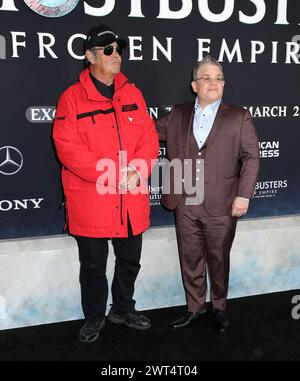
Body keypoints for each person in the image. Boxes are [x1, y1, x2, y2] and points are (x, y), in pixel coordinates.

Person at [53, 24, 159, 343]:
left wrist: (138, 169)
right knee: (94, 267)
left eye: (119, 49)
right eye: (108, 50)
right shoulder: (71, 99)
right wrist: (113, 173)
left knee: (130, 260)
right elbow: (68, 149)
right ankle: (94, 317)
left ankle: (123, 308)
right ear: (90, 56)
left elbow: (149, 136)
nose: (117, 56)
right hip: (92, 202)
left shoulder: (134, 93)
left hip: (131, 199)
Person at [156, 55, 259, 334]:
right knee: (189, 258)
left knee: (218, 258)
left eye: (217, 78)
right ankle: (195, 307)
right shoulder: (177, 114)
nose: (212, 83)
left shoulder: (239, 116)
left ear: (223, 84)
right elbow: (146, 131)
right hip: (185, 199)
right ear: (194, 84)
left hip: (223, 202)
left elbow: (251, 157)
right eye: (206, 77)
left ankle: (219, 307)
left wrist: (244, 195)